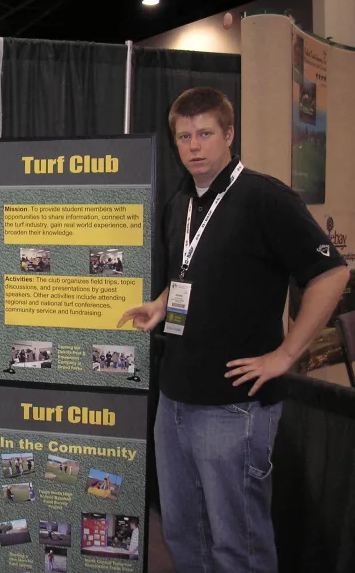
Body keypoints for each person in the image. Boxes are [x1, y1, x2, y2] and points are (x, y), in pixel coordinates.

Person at [118, 87, 349, 573]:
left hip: (234, 406)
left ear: (229, 134)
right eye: (184, 136)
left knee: (237, 545)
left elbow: (332, 273)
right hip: (176, 400)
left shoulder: (265, 198)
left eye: (205, 134)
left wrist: (287, 354)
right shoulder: (182, 200)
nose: (194, 146)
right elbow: (192, 272)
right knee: (183, 533)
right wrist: (162, 304)